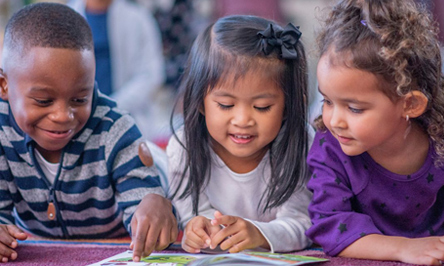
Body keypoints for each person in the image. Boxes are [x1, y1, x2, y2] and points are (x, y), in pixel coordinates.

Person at [0, 3, 177, 263]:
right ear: (4, 85)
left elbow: (143, 207)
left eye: (80, 99)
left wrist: (152, 205)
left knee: (159, 183)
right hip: (39, 234)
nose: (63, 115)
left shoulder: (116, 129)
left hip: (153, 172)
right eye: (43, 101)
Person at [306, 0, 444, 265]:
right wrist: (404, 249)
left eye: (355, 109)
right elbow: (331, 226)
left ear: (410, 104)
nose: (335, 120)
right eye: (327, 101)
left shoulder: (443, 144)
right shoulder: (330, 149)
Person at [167, 15, 313, 254]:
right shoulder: (183, 148)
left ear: (288, 106)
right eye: (225, 105)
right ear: (200, 103)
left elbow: (302, 224)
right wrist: (199, 230)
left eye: (262, 107)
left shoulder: (300, 143)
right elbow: (194, 216)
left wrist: (258, 233)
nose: (243, 120)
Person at [68, 0, 166, 141]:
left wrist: (110, 107)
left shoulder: (138, 18)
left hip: (128, 118)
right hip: (78, 121)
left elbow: (151, 75)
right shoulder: (66, 18)